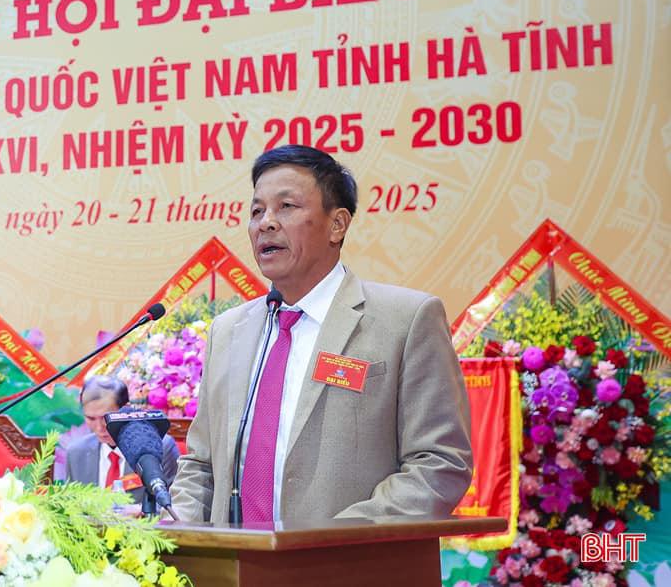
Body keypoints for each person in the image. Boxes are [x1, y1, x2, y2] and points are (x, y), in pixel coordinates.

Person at [170, 146, 473, 523]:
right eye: (257, 211)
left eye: (286, 207)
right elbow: (201, 466)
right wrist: (173, 532)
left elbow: (439, 463)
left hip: (344, 555)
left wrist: (331, 541)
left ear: (337, 224)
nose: (266, 223)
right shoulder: (229, 330)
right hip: (234, 558)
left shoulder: (406, 319)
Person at [66, 376, 180, 513]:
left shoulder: (159, 446)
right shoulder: (76, 453)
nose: (99, 427)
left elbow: (177, 506)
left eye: (105, 418)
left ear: (125, 410)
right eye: (91, 418)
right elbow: (71, 507)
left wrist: (139, 511)